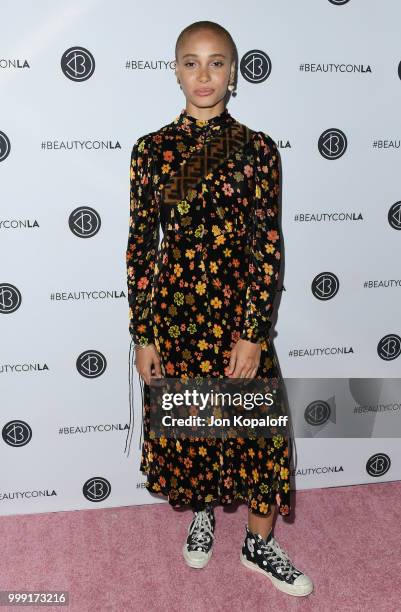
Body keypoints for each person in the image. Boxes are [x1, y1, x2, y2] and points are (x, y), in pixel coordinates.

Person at [126, 20, 314, 597]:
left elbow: (267, 247)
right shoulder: (152, 151)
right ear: (175, 69)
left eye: (216, 63)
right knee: (196, 432)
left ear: (234, 74)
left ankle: (259, 544)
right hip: (176, 321)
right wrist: (144, 334)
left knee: (261, 437)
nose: (203, 74)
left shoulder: (256, 150)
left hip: (237, 320)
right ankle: (202, 510)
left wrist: (254, 333)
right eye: (190, 61)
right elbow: (142, 246)